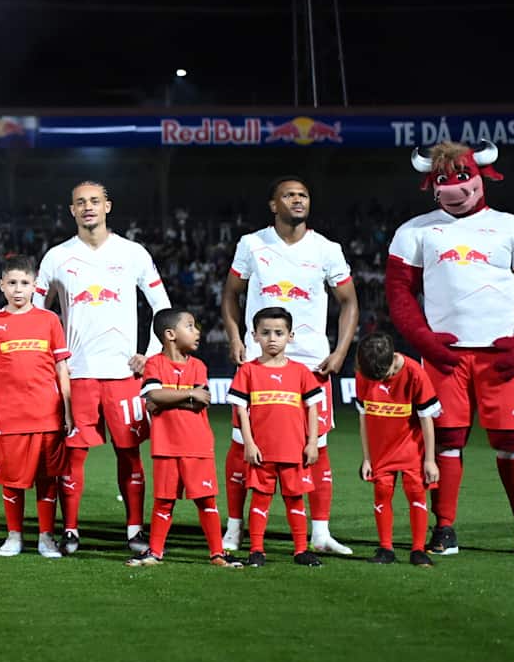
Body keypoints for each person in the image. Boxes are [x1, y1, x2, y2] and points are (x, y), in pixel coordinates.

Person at [384, 141, 514, 557]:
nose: (453, 188)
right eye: (442, 180)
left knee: (513, 439)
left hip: (501, 357)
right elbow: (399, 292)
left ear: (482, 178)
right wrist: (424, 341)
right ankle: (444, 528)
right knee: (446, 439)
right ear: (431, 184)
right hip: (445, 357)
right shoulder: (414, 231)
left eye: (462, 178)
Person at [218, 177, 358, 556]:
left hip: (312, 360)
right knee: (240, 444)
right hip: (257, 359)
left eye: (304, 195)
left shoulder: (327, 249)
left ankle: (321, 533)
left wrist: (341, 350)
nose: (298, 199)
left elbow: (349, 302)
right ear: (273, 204)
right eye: (289, 195)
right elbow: (230, 295)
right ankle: (233, 529)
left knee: (318, 445)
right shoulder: (251, 244)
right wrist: (234, 338)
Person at [34, 181, 169, 556]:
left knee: (129, 453)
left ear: (108, 206)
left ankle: (134, 532)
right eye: (81, 202)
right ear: (71, 210)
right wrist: (50, 357)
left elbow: (162, 306)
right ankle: (71, 531)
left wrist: (151, 353)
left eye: (95, 201)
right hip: (77, 373)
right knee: (73, 454)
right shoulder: (57, 257)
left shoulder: (133, 253)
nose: (88, 207)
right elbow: (34, 310)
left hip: (124, 375)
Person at [129, 309, 239, 569]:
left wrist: (166, 399)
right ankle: (155, 553)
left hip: (197, 445)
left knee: (206, 499)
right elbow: (153, 396)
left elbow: (200, 402)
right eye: (190, 326)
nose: (197, 331)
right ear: (170, 335)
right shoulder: (154, 363)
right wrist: (186, 395)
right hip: (166, 446)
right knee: (164, 500)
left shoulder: (199, 366)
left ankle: (217, 554)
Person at [0, 256, 70, 558]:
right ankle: (14, 536)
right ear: (2, 286)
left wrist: (67, 409)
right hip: (8, 415)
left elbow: (61, 369)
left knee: (47, 478)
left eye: (25, 283)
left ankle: (46, 538)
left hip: (47, 413)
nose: (19, 289)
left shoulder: (49, 321)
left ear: (35, 286)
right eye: (12, 283)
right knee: (11, 480)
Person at [228, 307, 326, 568]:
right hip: (261, 451)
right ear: (254, 336)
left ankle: (301, 550)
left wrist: (313, 442)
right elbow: (241, 410)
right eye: (266, 333)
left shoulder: (301, 372)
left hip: (294, 450)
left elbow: (313, 408)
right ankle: (257, 549)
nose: (272, 338)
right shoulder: (248, 371)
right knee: (260, 497)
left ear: (290, 336)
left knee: (295, 498)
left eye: (279, 333)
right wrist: (248, 443)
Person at [353, 330, 442, 566]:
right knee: (382, 492)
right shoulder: (365, 373)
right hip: (381, 450)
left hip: (411, 447)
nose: (382, 381)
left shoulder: (414, 373)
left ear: (393, 358)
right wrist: (367, 458)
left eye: (386, 375)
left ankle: (418, 549)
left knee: (415, 491)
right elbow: (363, 418)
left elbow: (426, 419)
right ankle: (385, 549)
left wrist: (430, 460)